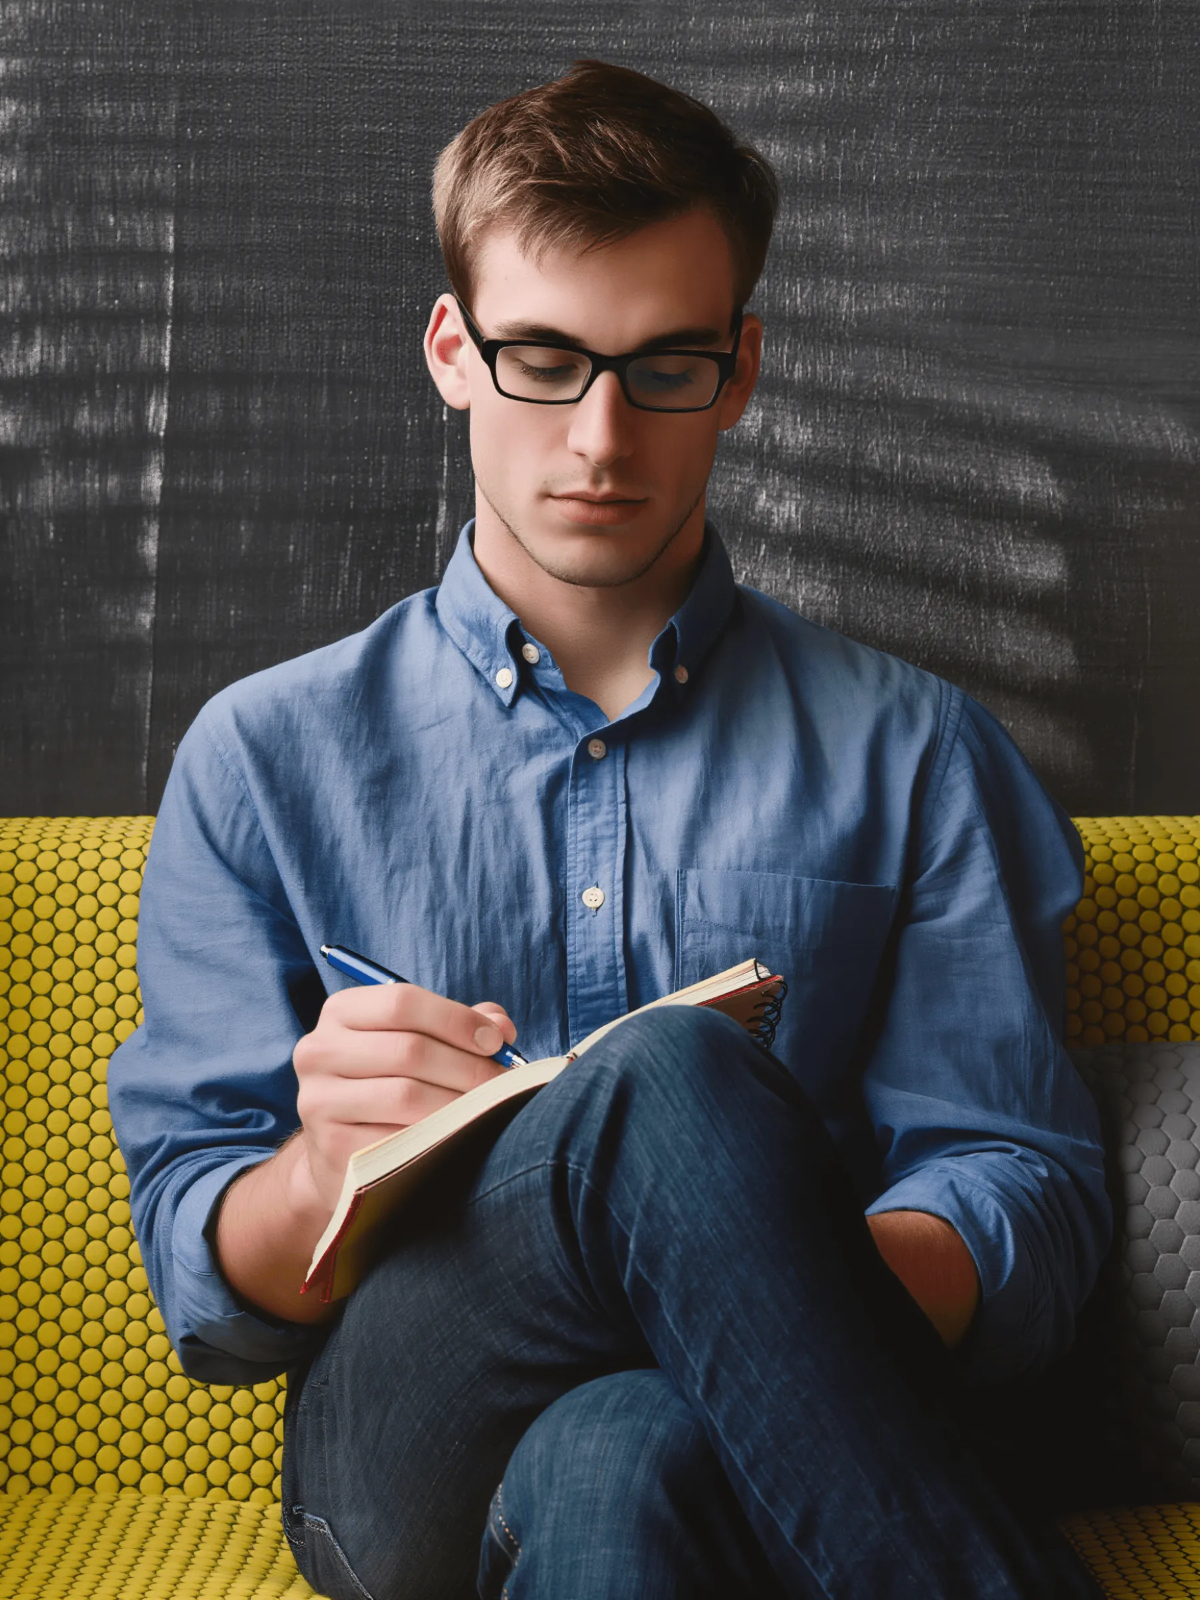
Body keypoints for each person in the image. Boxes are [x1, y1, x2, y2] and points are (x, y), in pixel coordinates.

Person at [108, 59, 1112, 1600]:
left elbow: (1020, 1195)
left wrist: (753, 1276)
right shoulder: (262, 755)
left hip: (747, 1443)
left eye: (664, 367)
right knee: (670, 1079)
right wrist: (318, 1174)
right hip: (402, 1451)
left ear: (742, 368)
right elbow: (206, 1279)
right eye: (544, 359)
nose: (600, 436)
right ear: (454, 351)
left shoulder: (919, 753)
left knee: (621, 1451)